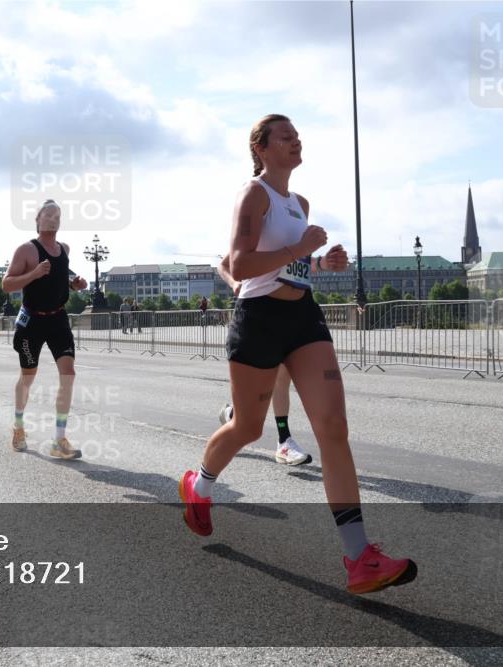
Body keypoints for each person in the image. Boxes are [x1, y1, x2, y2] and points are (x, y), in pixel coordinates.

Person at [179, 114, 416, 595]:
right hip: (259, 321)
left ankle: (358, 556)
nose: (296, 140)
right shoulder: (254, 195)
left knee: (333, 426)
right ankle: (199, 486)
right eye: (285, 136)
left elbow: (292, 264)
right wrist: (300, 249)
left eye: (297, 135)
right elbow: (241, 265)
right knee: (248, 426)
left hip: (303, 319)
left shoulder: (298, 202)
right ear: (261, 149)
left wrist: (320, 262)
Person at [2, 199, 88, 459]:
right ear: (38, 219)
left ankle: (59, 439)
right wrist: (34, 274)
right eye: (48, 214)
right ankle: (18, 426)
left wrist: (74, 285)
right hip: (32, 321)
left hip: (58, 319)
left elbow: (60, 279)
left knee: (68, 373)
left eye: (58, 215)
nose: (53, 218)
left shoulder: (64, 249)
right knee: (28, 376)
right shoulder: (26, 250)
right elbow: (7, 284)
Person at [216, 254, 311, 466]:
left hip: (289, 314)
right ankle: (233, 415)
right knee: (257, 394)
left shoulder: (294, 230)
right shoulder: (257, 230)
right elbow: (223, 264)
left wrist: (322, 262)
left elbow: (299, 266)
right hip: (256, 314)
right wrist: (234, 283)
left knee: (281, 379)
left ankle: (284, 441)